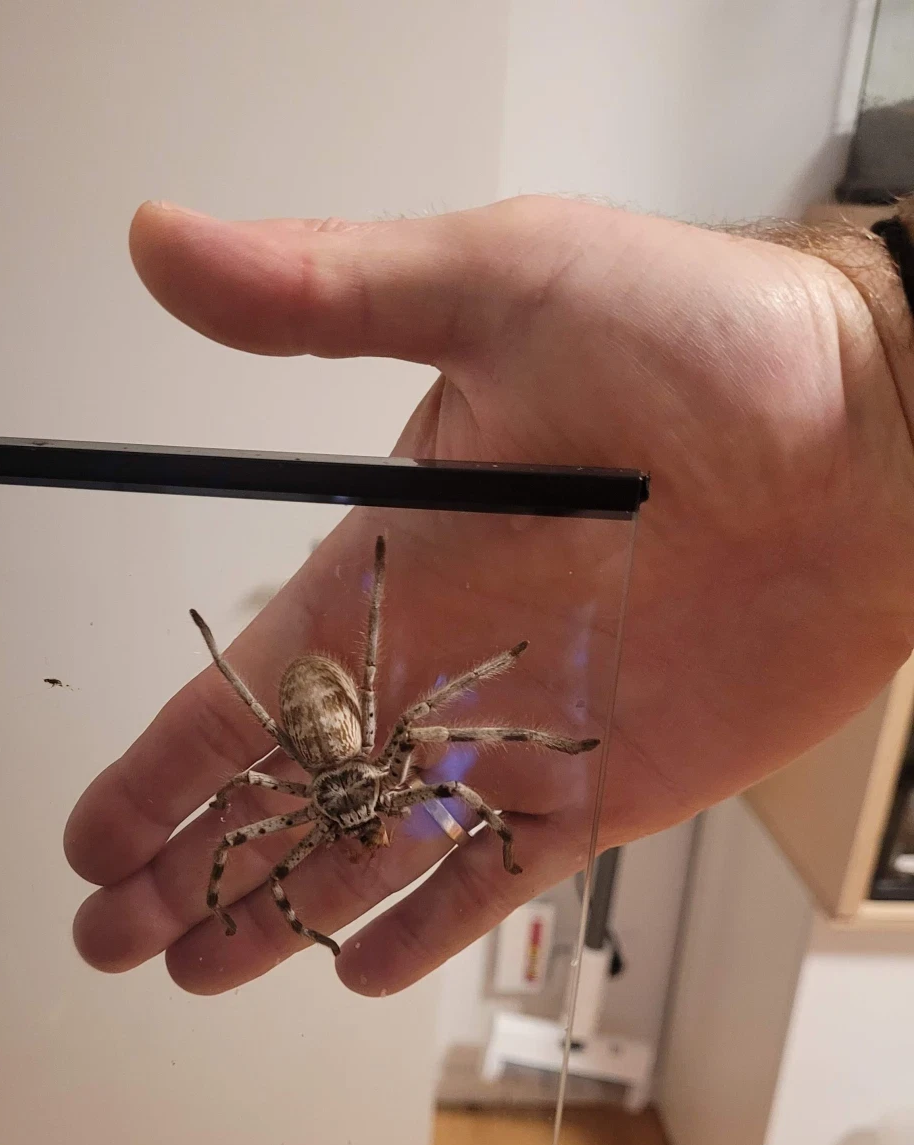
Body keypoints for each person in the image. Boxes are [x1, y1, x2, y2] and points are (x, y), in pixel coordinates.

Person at [65, 195, 914, 997]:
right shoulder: (323, 801)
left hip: (329, 729)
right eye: (358, 822)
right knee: (389, 740)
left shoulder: (340, 786)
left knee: (420, 718)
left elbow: (447, 767)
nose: (363, 828)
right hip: (327, 730)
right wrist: (881, 373)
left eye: (359, 819)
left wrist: (878, 370)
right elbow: (265, 860)